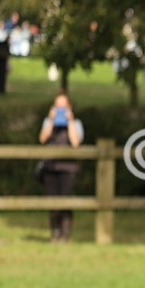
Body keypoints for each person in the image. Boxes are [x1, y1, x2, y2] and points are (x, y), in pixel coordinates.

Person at [38, 92, 84, 242]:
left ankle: (65, 234)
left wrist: (69, 122)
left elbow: (75, 143)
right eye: (58, 106)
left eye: (63, 106)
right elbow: (42, 139)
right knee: (52, 201)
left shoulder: (76, 124)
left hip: (68, 168)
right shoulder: (48, 122)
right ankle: (55, 233)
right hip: (50, 167)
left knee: (66, 200)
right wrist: (51, 120)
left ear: (69, 107)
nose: (60, 109)